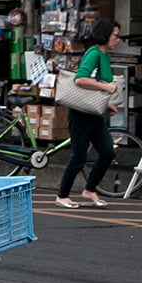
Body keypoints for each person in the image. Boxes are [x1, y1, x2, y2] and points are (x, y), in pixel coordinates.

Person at [55, 18, 123, 209]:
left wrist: (105, 103)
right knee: (79, 156)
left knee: (108, 152)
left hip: (96, 114)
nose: (118, 39)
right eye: (116, 35)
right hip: (81, 115)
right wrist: (106, 87)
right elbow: (80, 80)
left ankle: (90, 189)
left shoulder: (105, 56)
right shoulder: (94, 54)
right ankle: (62, 195)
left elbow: (94, 86)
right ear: (105, 35)